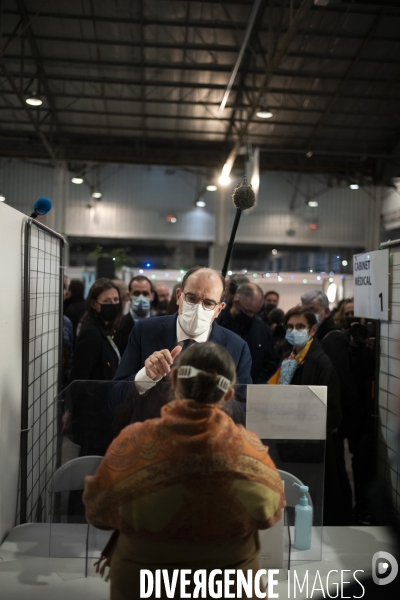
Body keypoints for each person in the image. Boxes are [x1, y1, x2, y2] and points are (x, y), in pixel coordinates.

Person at [84, 342, 285, 600]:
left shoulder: (133, 442)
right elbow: (272, 511)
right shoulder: (251, 451)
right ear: (228, 395)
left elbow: (97, 511)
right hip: (230, 587)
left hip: (144, 587)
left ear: (176, 380)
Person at [112, 267, 253, 393]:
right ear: (179, 297)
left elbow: (242, 408)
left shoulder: (237, 348)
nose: (198, 307)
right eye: (191, 298)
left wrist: (216, 399)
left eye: (208, 303)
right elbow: (115, 396)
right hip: (154, 421)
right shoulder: (145, 331)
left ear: (219, 309)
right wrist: (145, 377)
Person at [268, 306, 345, 525]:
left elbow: (332, 411)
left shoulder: (321, 363)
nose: (294, 331)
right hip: (289, 442)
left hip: (312, 445)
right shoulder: (290, 357)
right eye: (290, 327)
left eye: (300, 326)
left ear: (312, 330)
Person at [69, 278, 122, 456]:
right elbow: (79, 377)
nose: (112, 305)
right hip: (93, 417)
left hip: (105, 413)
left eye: (116, 300)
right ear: (93, 304)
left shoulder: (106, 329)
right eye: (106, 301)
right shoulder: (91, 331)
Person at [217, 282, 275, 383]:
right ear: (235, 302)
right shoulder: (218, 324)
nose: (251, 316)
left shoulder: (261, 329)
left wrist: (256, 385)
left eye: (255, 312)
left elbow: (269, 361)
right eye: (248, 311)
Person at [116, 275, 156, 356]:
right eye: (136, 293)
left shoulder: (161, 325)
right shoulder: (118, 325)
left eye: (145, 293)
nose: (141, 298)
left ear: (152, 296)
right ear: (128, 296)